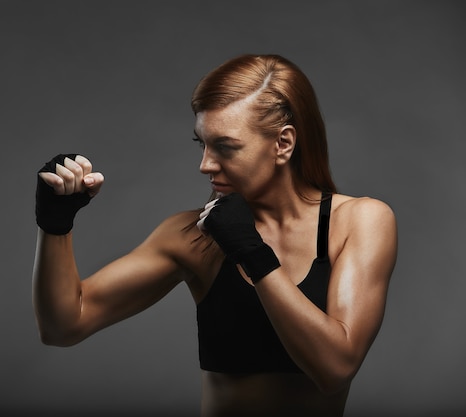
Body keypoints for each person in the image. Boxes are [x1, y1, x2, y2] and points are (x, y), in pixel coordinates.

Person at [32, 54, 398, 416]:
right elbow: (63, 326)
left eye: (225, 146)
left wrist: (251, 251)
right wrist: (55, 225)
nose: (205, 164)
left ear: (283, 144)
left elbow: (335, 368)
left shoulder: (360, 221)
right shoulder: (192, 236)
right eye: (202, 144)